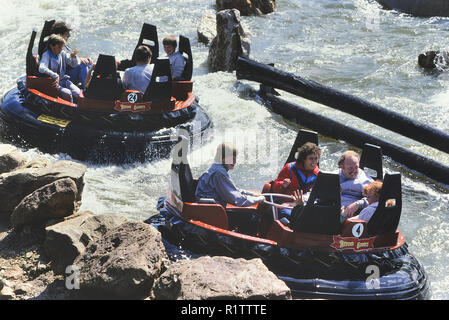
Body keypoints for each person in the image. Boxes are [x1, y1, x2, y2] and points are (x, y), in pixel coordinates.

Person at [195, 143, 265, 208]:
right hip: (212, 209)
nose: (235, 161)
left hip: (211, 206)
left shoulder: (216, 168)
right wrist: (257, 199)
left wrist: (251, 194)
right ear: (222, 158)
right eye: (232, 158)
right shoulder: (219, 173)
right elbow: (235, 199)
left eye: (235, 158)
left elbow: (232, 190)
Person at [271, 142, 321, 220]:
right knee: (289, 215)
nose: (314, 162)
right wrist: (282, 185)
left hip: (303, 204)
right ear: (304, 159)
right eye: (311, 158)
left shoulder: (319, 175)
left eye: (316, 158)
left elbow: (317, 195)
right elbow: (274, 188)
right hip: (284, 202)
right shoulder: (289, 168)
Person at [38, 34, 81, 102]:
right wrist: (55, 75)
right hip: (53, 83)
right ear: (52, 46)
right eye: (59, 47)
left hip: (64, 80)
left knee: (79, 93)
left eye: (62, 47)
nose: (61, 50)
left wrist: (73, 57)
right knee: (67, 93)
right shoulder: (46, 55)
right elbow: (41, 68)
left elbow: (74, 64)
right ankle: (69, 110)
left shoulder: (62, 53)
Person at [50, 21, 93, 89]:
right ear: (59, 35)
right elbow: (65, 61)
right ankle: (87, 90)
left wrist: (82, 59)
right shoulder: (56, 47)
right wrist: (80, 60)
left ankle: (93, 84)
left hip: (70, 71)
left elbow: (71, 58)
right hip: (63, 77)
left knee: (88, 63)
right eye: (67, 33)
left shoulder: (65, 45)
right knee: (83, 65)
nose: (69, 35)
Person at [339, 150, 373, 218]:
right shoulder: (333, 176)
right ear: (342, 167)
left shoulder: (365, 180)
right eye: (350, 168)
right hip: (334, 207)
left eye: (356, 167)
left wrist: (358, 204)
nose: (354, 171)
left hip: (353, 211)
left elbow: (375, 198)